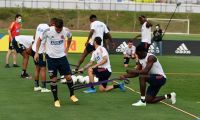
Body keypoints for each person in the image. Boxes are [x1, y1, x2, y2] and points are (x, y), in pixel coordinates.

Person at [34, 18, 78, 107]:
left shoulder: (66, 31)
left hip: (62, 57)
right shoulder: (48, 31)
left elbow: (70, 38)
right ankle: (56, 99)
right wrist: (36, 52)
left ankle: (72, 95)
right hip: (51, 58)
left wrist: (67, 48)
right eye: (57, 29)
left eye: (60, 29)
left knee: (68, 77)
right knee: (53, 80)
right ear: (54, 26)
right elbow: (39, 40)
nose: (58, 31)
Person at [31, 18, 57, 92]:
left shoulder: (40, 25)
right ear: (53, 24)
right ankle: (43, 87)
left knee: (37, 68)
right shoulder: (49, 30)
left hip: (34, 49)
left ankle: (36, 86)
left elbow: (34, 36)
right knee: (43, 69)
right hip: (41, 51)